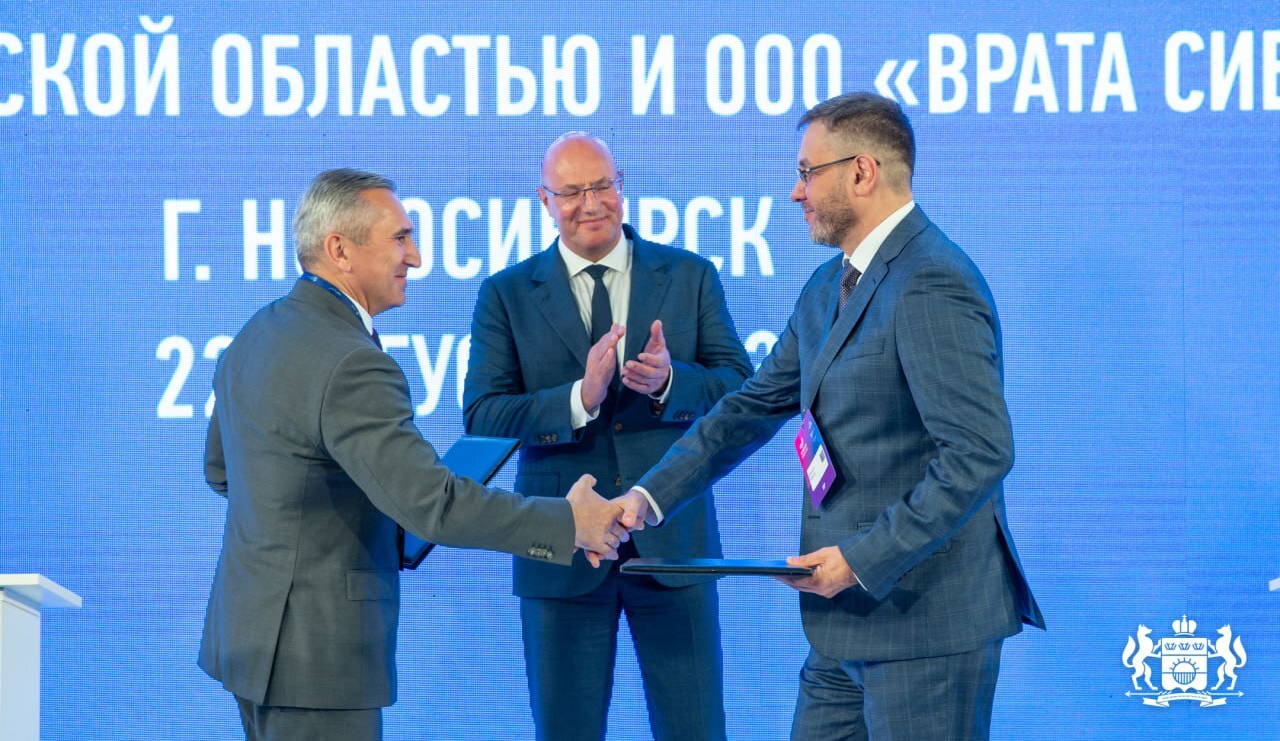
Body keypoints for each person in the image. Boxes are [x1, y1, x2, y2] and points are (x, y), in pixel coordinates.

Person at [617, 93, 1045, 740]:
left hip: (922, 624)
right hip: (843, 623)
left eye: (807, 172)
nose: (796, 192)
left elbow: (979, 453)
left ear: (862, 171)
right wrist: (647, 498)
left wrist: (863, 558)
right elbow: (752, 406)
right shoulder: (826, 286)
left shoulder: (932, 279)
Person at [199, 168, 627, 741]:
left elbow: (223, 471)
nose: (417, 257)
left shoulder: (259, 330)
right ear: (339, 250)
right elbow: (433, 506)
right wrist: (569, 522)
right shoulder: (351, 361)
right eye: (400, 238)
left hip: (251, 639)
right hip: (316, 655)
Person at [462, 132, 752, 741]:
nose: (591, 204)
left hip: (674, 544)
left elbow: (740, 390)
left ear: (622, 186)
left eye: (603, 186)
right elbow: (483, 416)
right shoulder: (506, 294)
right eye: (572, 192)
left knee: (697, 729)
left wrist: (671, 382)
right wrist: (578, 399)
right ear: (545, 200)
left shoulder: (690, 275)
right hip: (561, 550)